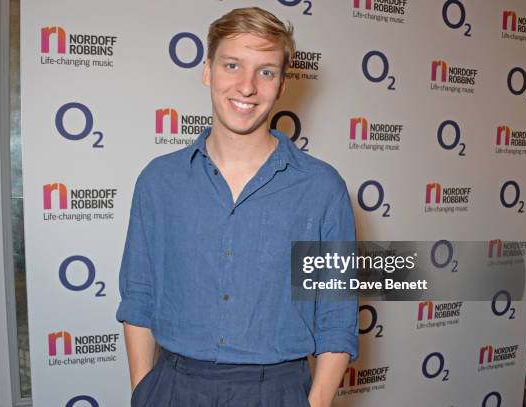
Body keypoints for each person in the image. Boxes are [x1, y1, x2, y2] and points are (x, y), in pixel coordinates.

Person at [116, 7, 358, 406]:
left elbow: (336, 319)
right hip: (174, 388)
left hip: (277, 393)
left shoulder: (321, 188)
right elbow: (138, 297)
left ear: (281, 85)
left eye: (266, 71)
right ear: (207, 69)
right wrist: (144, 391)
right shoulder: (158, 182)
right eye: (232, 65)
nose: (247, 87)